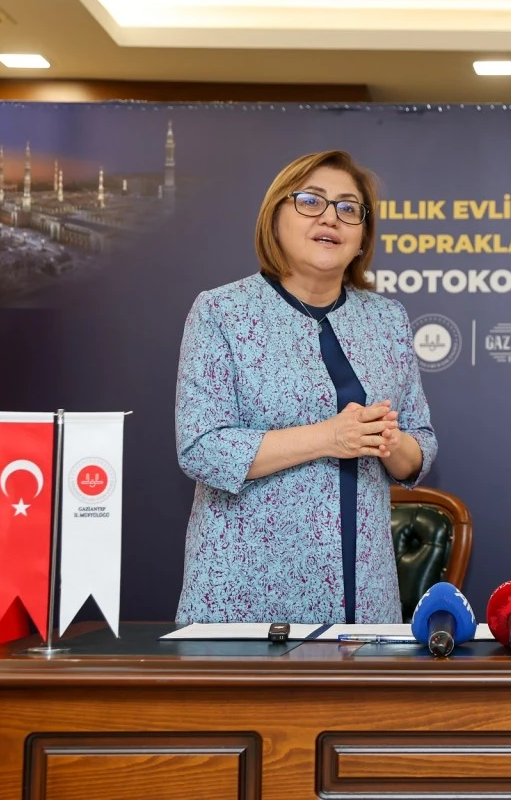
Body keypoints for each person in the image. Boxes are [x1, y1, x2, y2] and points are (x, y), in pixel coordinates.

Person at [174, 150, 436, 624]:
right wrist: (329, 437)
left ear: (362, 237)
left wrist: (392, 442)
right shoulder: (221, 312)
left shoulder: (387, 319)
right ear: (275, 218)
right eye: (311, 201)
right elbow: (202, 449)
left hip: (365, 590)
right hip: (246, 589)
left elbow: (420, 446)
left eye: (348, 208)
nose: (331, 218)